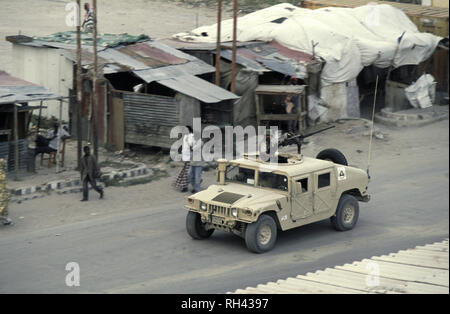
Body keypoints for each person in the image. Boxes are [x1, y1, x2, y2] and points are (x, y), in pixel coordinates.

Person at [183, 126, 204, 193]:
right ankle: (195, 186)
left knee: (197, 177)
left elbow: (193, 149)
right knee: (189, 175)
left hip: (199, 163)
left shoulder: (200, 142)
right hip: (192, 162)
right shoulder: (191, 141)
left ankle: (197, 190)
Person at [0, 158, 12, 226]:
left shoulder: (1, 172)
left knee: (4, 205)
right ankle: (5, 219)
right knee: (3, 204)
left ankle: (5, 219)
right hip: (2, 192)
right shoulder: (1, 173)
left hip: (3, 191)